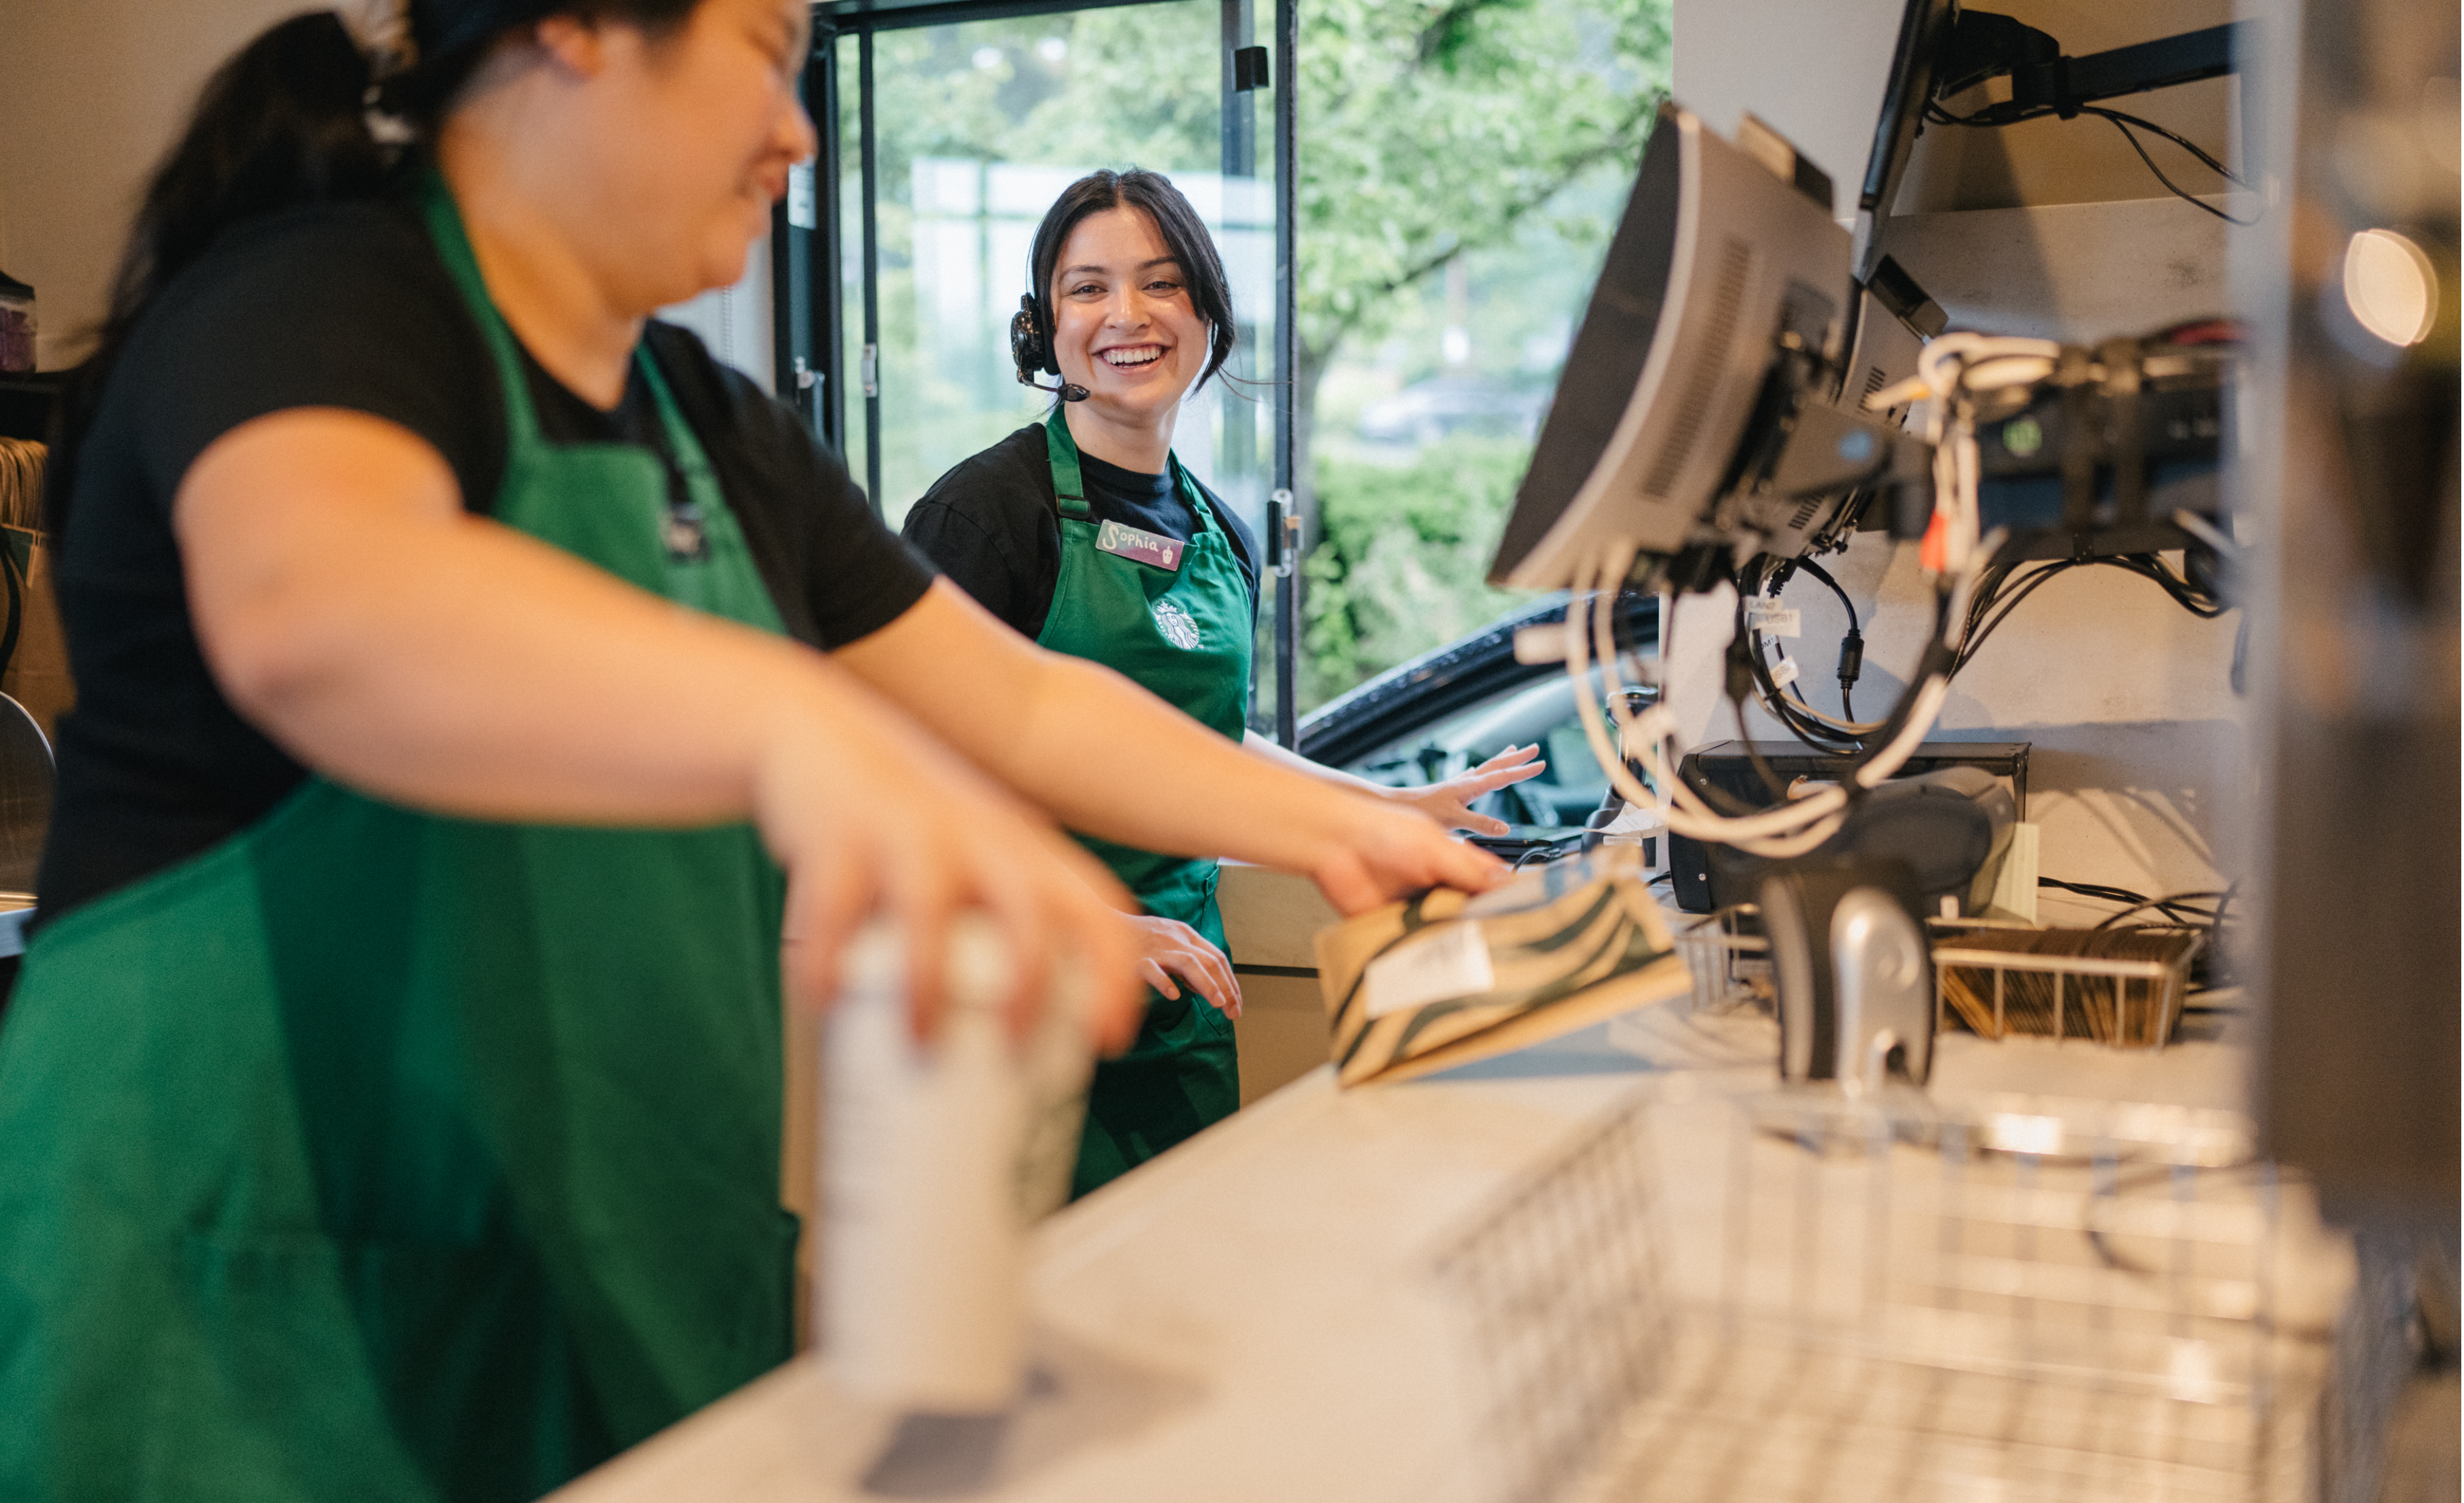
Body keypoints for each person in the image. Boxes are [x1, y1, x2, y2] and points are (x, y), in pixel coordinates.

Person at [0, 5, 1506, 1499]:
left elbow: (1030, 706)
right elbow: (321, 612)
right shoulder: (314, 303)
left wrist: (1349, 827)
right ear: (580, 31)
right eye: (771, 49)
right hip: (257, 1261)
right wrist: (803, 730)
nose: (797, 129)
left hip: (605, 1246)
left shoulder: (708, 422)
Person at [902, 170, 1545, 1197]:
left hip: (1182, 1000)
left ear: (1206, 313)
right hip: (1019, 997)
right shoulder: (985, 515)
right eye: (1086, 289)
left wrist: (1384, 806)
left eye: (1160, 283)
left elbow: (1197, 742)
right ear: (1040, 329)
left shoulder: (1219, 533)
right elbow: (902, 777)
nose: (1126, 315)